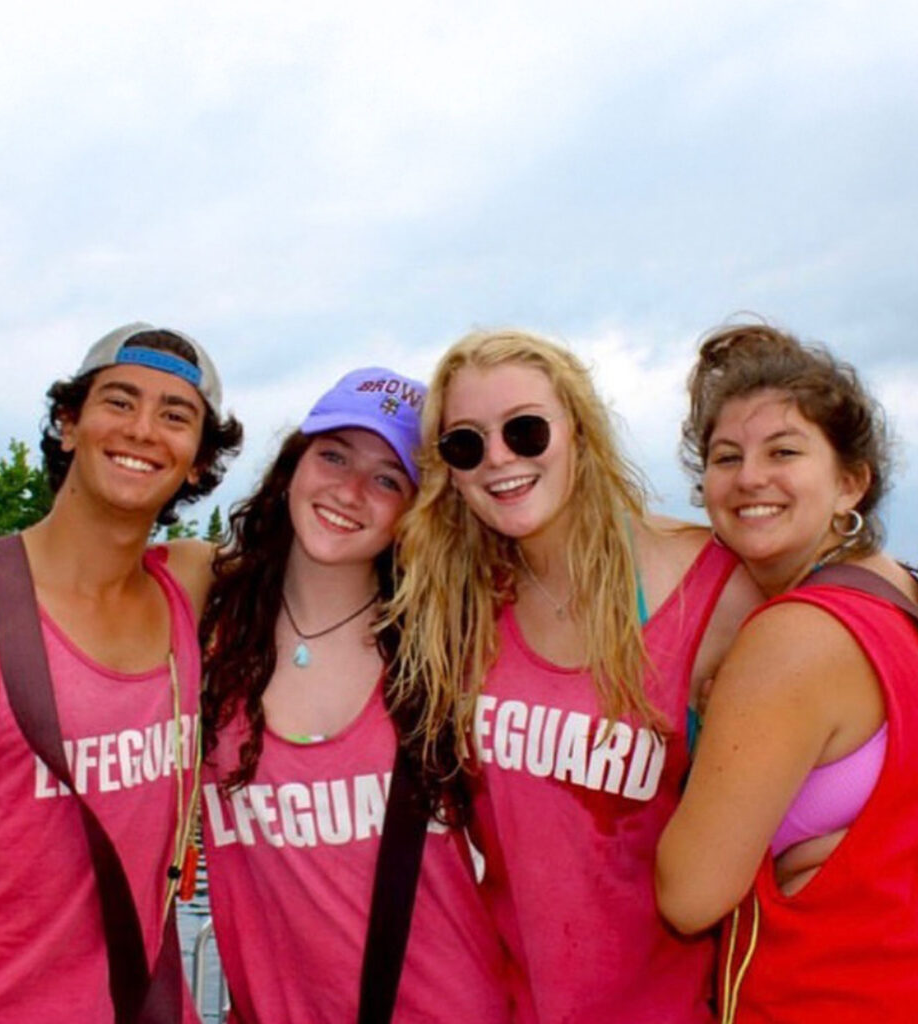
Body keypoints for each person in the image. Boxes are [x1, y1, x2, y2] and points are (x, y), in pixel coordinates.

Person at [387, 328, 759, 1023]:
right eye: (466, 444)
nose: (499, 459)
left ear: (579, 433)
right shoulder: (460, 603)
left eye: (525, 432)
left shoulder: (712, 587)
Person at [0, 322, 242, 1024]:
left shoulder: (194, 586)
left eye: (176, 416)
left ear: (199, 463)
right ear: (67, 423)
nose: (143, 429)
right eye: (119, 401)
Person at [198, 367, 513, 1024]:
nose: (349, 489)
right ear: (292, 466)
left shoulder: (454, 648)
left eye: (387, 478)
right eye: (333, 455)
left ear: (416, 512)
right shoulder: (205, 631)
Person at [656, 323, 918, 1023]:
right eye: (726, 456)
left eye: (785, 451)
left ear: (851, 483)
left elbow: (689, 895)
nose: (749, 478)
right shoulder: (900, 595)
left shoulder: (793, 636)